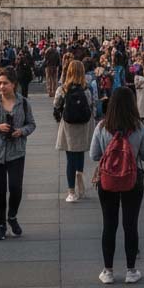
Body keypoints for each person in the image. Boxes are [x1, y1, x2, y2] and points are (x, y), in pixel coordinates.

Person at [90, 86, 144, 284]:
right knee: (130, 225)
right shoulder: (139, 127)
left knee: (109, 224)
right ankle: (131, 271)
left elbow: (94, 155)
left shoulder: (102, 127)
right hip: (132, 181)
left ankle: (107, 271)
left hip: (107, 181)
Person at [0, 68, 36, 240]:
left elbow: (31, 124)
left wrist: (21, 131)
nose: (1, 86)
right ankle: (1, 225)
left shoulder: (24, 103)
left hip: (16, 152)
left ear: (14, 84)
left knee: (15, 188)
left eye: (5, 83)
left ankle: (12, 216)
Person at [55, 59, 95, 203]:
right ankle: (80, 185)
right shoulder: (87, 88)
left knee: (70, 158)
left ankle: (71, 191)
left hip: (69, 125)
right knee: (80, 155)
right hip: (83, 124)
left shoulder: (63, 88)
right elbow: (92, 104)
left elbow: (56, 104)